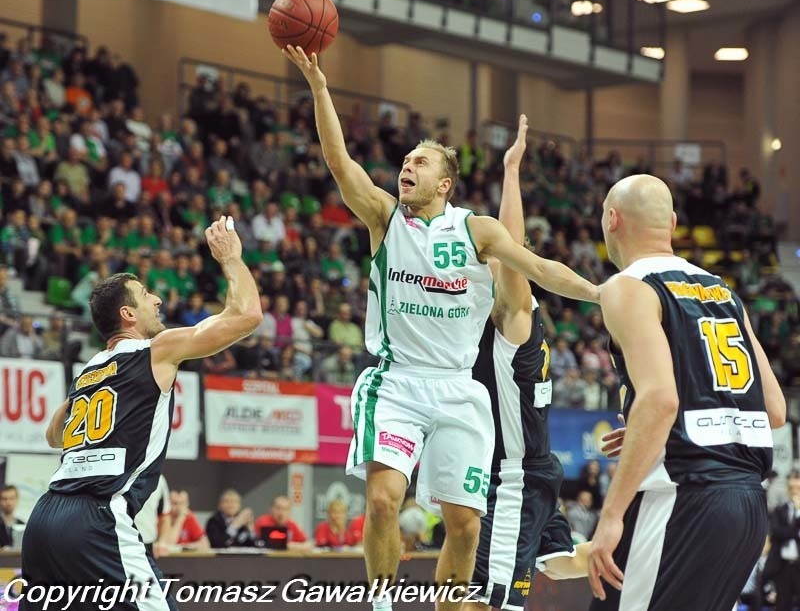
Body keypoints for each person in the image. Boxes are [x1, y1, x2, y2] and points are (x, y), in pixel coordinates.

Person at [284, 46, 598, 611]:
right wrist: (320, 89)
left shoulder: (475, 231)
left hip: (459, 388)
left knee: (465, 526)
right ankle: (381, 603)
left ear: (446, 184)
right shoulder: (384, 218)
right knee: (383, 502)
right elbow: (338, 162)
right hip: (398, 381)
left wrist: (601, 292)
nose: (407, 167)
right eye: (404, 160)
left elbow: (540, 269)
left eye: (420, 162)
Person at [20, 215, 261, 611]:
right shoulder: (156, 350)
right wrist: (231, 259)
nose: (157, 300)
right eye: (147, 294)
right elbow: (247, 317)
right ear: (128, 315)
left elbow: (53, 436)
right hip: (97, 518)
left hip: (44, 519)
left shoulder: (91, 369)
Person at [586, 175, 786, 611]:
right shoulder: (723, 291)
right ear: (673, 223)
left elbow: (660, 400)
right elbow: (773, 408)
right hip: (749, 508)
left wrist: (611, 515)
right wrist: (653, 429)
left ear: (611, 219)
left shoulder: (627, 286)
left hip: (684, 500)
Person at [466, 116, 569, 611]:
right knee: (565, 560)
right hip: (535, 470)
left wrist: (511, 174)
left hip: (513, 479)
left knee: (490, 602)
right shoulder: (502, 322)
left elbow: (510, 257)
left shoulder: (513, 319)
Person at [767, 471, 800, 611]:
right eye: (791, 488)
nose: (794, 492)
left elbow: (784, 532)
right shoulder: (779, 510)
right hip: (782, 566)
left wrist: (798, 512)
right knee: (782, 605)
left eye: (797, 488)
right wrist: (795, 530)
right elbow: (777, 533)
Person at [134, 474, 171, 556]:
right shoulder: (119, 475)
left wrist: (162, 542)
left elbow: (165, 516)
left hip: (148, 545)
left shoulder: (159, 479)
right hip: (119, 542)